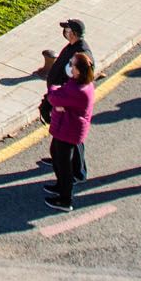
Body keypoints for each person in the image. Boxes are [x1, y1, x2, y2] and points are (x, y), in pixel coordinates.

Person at [42, 52, 95, 211]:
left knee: (64, 164)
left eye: (72, 64)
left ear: (78, 70)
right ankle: (60, 186)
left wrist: (53, 87)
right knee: (56, 154)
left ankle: (65, 199)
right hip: (65, 127)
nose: (69, 66)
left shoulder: (78, 89)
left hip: (69, 130)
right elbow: (61, 98)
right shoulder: (80, 84)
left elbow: (54, 97)